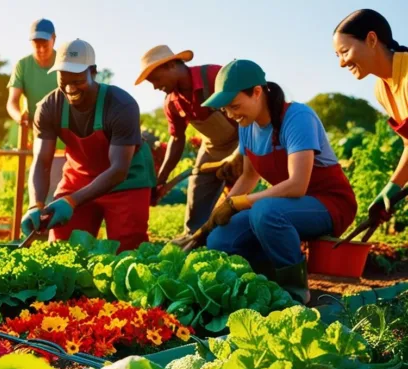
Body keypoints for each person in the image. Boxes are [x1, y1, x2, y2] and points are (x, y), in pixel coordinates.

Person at [200, 59, 357, 304]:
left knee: (264, 212)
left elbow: (297, 185)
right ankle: (267, 287)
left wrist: (239, 203)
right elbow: (249, 176)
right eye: (225, 110)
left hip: (329, 204)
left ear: (257, 92)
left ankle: (296, 293)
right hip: (288, 205)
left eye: (234, 105)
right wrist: (215, 217)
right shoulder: (247, 125)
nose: (231, 114)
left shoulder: (296, 117)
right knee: (221, 237)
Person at [22, 39, 156, 252]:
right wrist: (35, 204)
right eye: (63, 79)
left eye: (76, 80)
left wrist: (72, 202)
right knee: (62, 248)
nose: (69, 87)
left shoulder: (121, 105)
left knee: (128, 250)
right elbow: (41, 161)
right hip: (79, 177)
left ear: (93, 72)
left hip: (126, 180)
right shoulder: (49, 107)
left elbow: (118, 170)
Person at [135, 45, 242, 234]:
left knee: (243, 192)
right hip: (212, 148)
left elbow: (248, 112)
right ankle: (194, 236)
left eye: (156, 79)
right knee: (197, 186)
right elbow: (177, 140)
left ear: (170, 65)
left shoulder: (214, 76)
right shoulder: (172, 102)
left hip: (244, 140)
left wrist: (241, 152)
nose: (155, 87)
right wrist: (162, 178)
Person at [333, 9, 408, 223]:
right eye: (337, 56)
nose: (341, 63)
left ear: (372, 39)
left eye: (345, 51)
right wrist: (393, 186)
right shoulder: (382, 90)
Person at [7, 18, 58, 132]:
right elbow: (12, 101)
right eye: (37, 46)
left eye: (45, 45)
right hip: (32, 128)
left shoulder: (63, 62)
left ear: (54, 39)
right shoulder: (22, 65)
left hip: (61, 128)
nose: (41, 50)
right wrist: (18, 116)